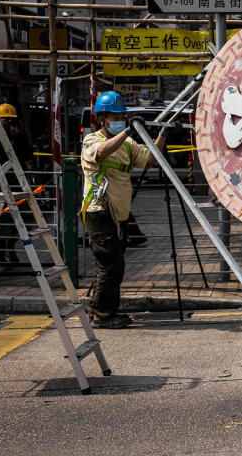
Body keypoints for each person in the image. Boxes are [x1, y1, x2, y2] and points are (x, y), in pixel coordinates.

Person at [81, 91, 166, 329]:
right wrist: (127, 131)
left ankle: (99, 308)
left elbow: (149, 159)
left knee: (113, 264)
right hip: (100, 211)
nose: (119, 119)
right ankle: (103, 314)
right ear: (102, 119)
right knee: (110, 264)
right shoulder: (92, 140)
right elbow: (100, 153)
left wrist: (162, 134)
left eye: (122, 116)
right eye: (114, 116)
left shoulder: (127, 144)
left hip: (120, 213)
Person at [0, 103, 34, 267]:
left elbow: (27, 155)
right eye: (5, 120)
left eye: (11, 120)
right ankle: (1, 254)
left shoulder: (17, 136)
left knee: (19, 218)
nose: (8, 123)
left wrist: (19, 136)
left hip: (16, 185)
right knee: (1, 220)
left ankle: (10, 249)